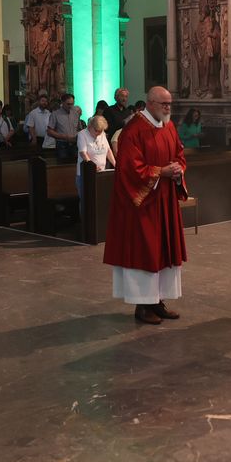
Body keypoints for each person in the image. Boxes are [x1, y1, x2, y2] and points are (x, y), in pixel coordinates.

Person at [103, 86, 187, 325]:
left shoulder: (168, 126)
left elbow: (179, 154)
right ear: (150, 103)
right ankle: (143, 305)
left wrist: (178, 169)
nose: (168, 108)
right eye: (164, 104)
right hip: (143, 204)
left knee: (164, 250)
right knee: (146, 250)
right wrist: (160, 171)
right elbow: (129, 168)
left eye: (169, 104)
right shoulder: (134, 130)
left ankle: (158, 300)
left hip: (165, 199)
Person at [76, 114, 116, 198]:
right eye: (96, 131)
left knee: (100, 198)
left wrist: (116, 164)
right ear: (90, 126)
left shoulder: (102, 134)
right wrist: (92, 166)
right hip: (86, 174)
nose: (98, 133)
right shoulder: (82, 134)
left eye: (101, 131)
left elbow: (108, 150)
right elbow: (83, 153)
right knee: (86, 200)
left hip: (101, 173)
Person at [47, 92, 82, 163]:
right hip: (62, 144)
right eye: (68, 104)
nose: (70, 106)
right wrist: (64, 137)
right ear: (62, 103)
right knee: (63, 164)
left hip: (75, 144)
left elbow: (79, 128)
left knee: (76, 164)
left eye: (72, 104)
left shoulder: (76, 113)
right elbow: (49, 131)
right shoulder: (55, 114)